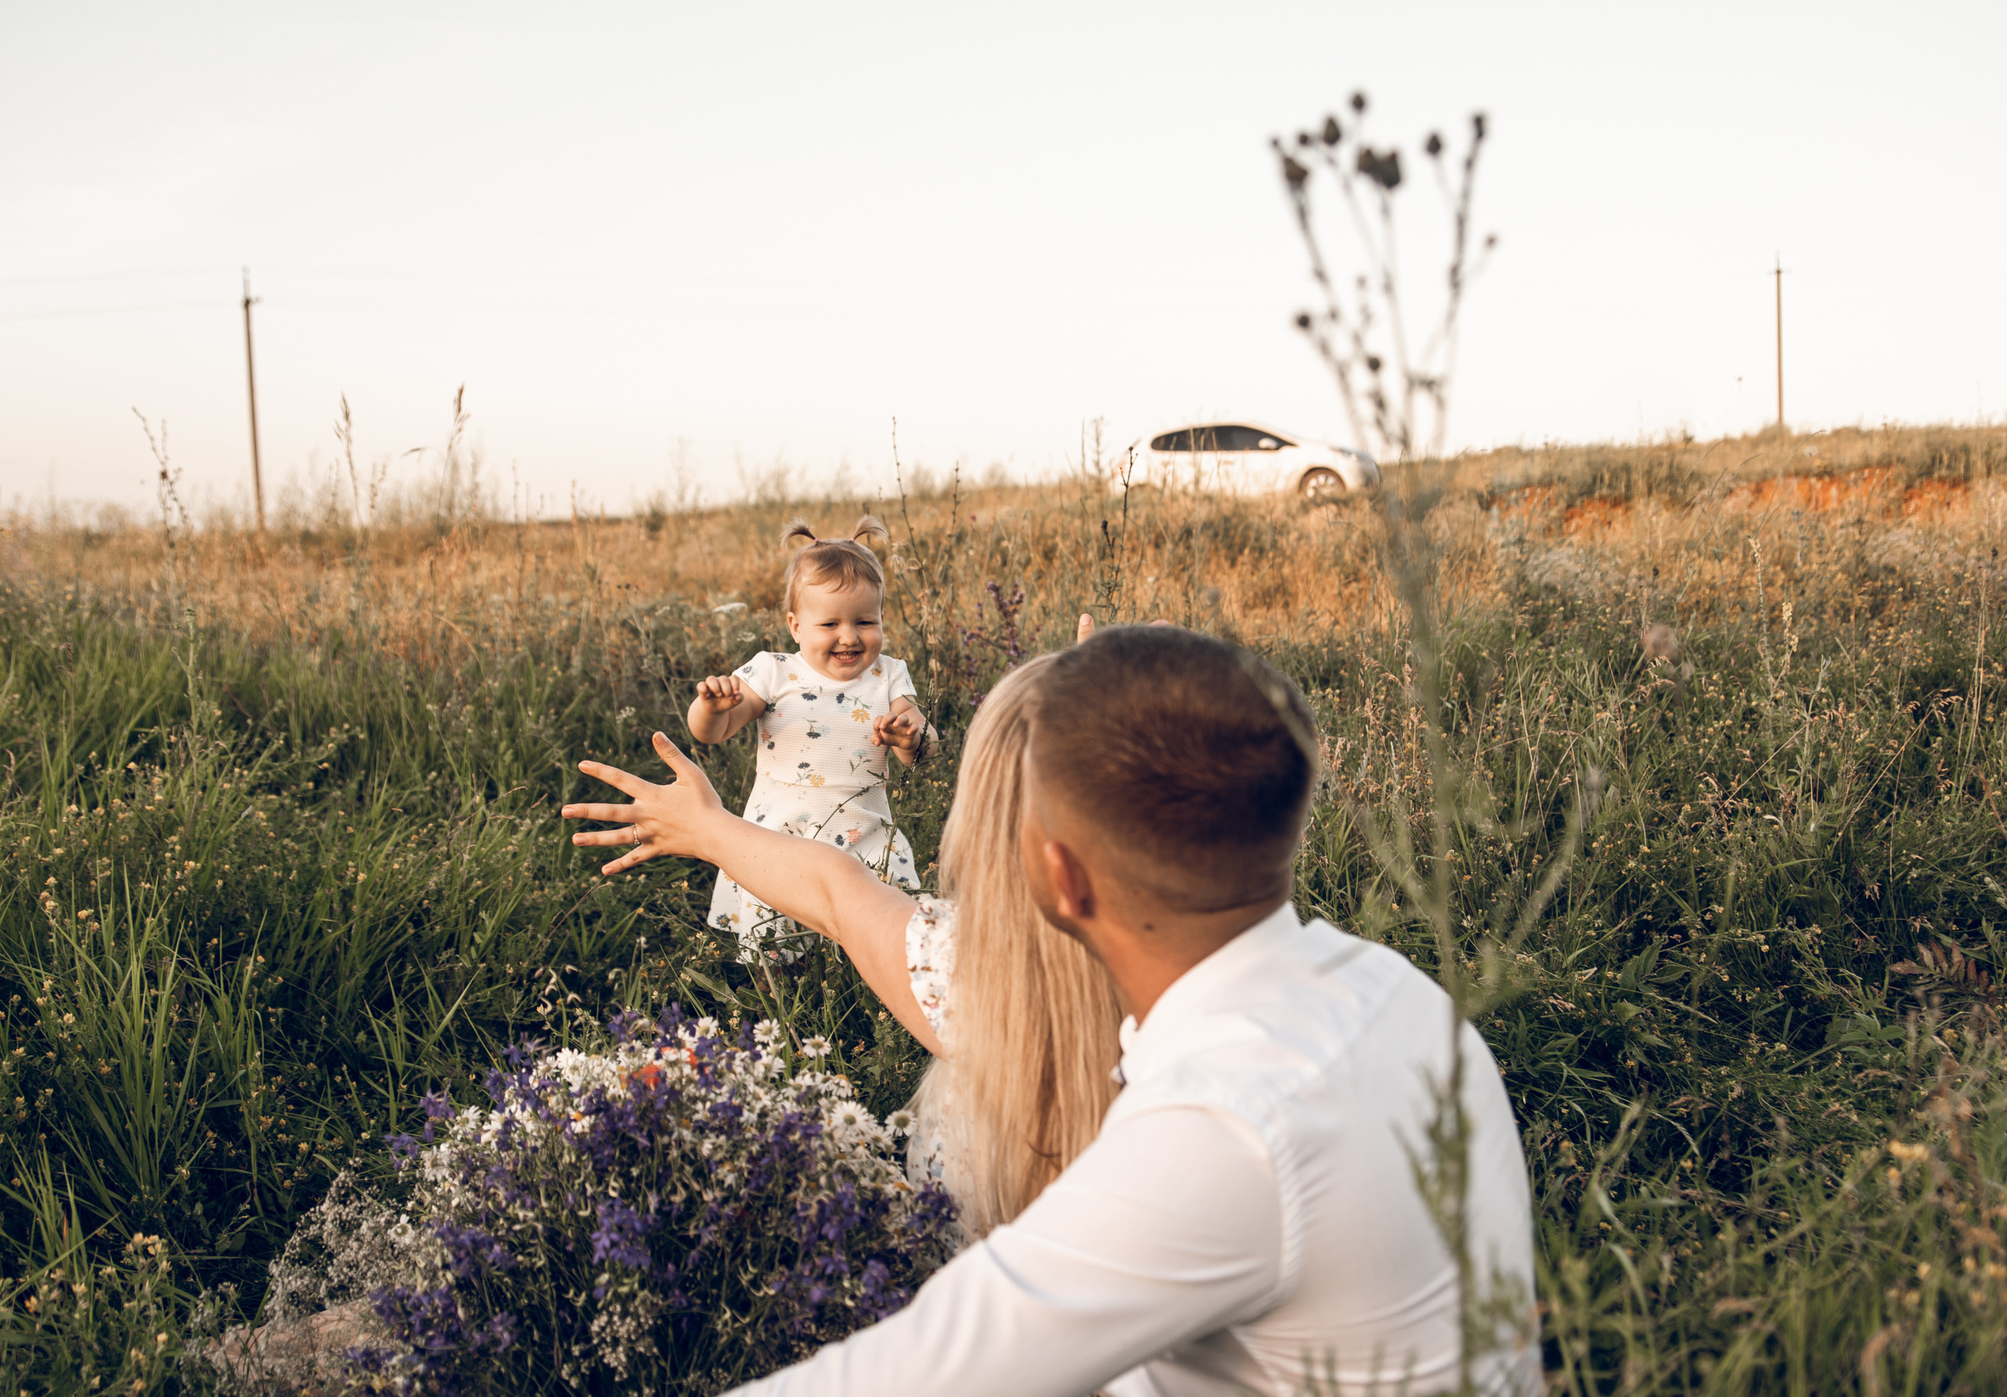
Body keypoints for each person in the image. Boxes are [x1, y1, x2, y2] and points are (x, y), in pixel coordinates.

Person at [566, 624, 1540, 1397]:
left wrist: (709, 827)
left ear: (1060, 876)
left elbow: (913, 1371)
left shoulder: (1228, 1129)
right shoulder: (1404, 995)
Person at [887, 655, 1124, 1234]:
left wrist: (709, 828)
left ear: (981, 821)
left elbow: (834, 889)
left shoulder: (958, 958)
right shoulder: (1192, 970)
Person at [684, 516, 932, 957]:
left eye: (865, 621)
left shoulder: (889, 675)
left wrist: (910, 739)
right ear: (795, 626)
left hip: (864, 837)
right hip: (782, 841)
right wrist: (709, 708)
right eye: (830, 625)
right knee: (778, 946)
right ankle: (785, 1011)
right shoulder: (773, 671)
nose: (849, 637)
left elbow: (925, 744)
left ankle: (860, 1002)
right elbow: (713, 733)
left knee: (877, 941)